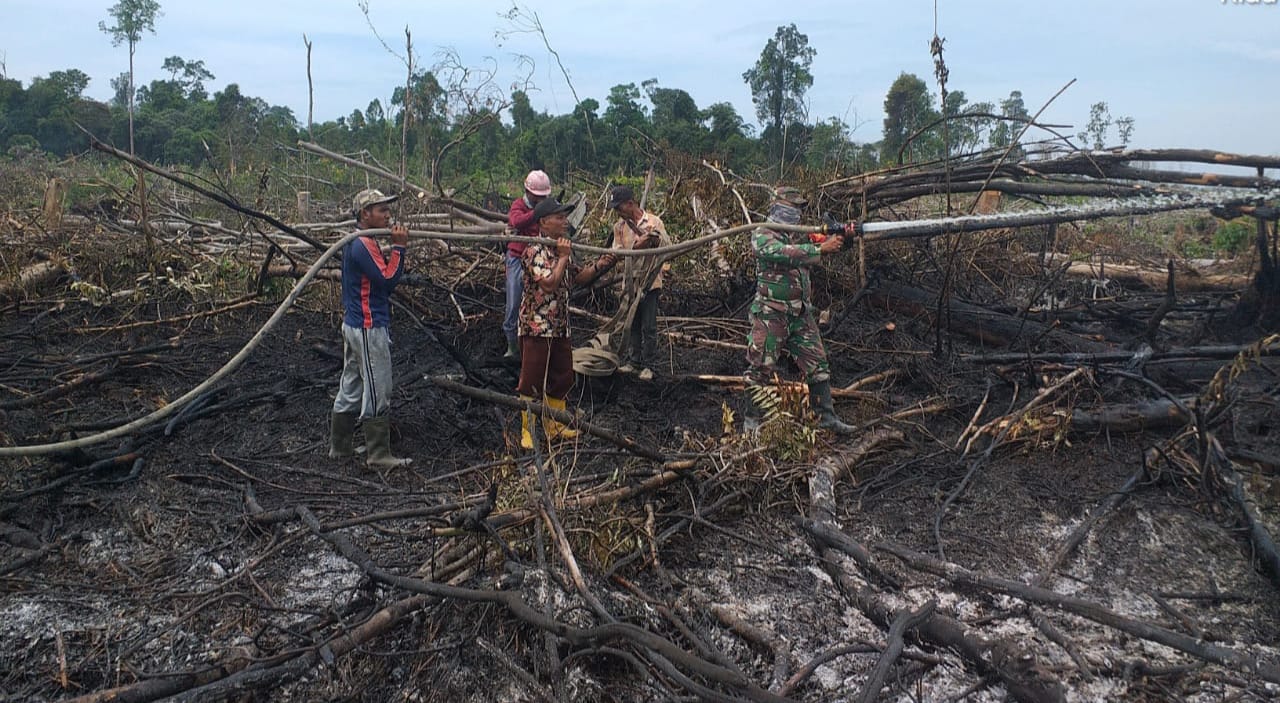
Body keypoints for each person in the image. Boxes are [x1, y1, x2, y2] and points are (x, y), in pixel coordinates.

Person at [743, 186, 855, 435]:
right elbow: (785, 254)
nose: (797, 214)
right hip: (771, 314)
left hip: (800, 314)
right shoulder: (762, 235)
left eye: (799, 209)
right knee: (761, 367)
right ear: (778, 207)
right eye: (793, 208)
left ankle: (825, 419)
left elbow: (825, 245)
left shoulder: (800, 235)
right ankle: (752, 423)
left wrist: (844, 237)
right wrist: (819, 249)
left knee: (818, 366)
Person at [516, 197, 617, 449]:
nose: (565, 222)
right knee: (532, 379)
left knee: (562, 375)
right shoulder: (534, 251)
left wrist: (602, 264)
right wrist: (562, 257)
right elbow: (549, 284)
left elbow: (578, 277)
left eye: (565, 217)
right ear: (543, 222)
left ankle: (555, 425)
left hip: (560, 325)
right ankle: (528, 431)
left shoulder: (560, 249)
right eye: (559, 218)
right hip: (537, 326)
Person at [329, 188, 414, 468]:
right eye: (382, 210)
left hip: (354, 324)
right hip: (368, 326)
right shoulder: (362, 244)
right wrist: (400, 248)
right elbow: (387, 281)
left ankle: (340, 447)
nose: (389, 215)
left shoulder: (361, 240)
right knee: (378, 386)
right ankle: (378, 454)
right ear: (365, 214)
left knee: (352, 383)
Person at [608, 186, 672, 381]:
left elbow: (668, 247)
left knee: (649, 326)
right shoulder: (619, 227)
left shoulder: (654, 222)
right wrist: (638, 245)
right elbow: (618, 253)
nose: (618, 212)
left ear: (630, 203)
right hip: (630, 282)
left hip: (651, 282)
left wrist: (653, 239)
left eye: (619, 208)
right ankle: (634, 361)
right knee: (632, 323)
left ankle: (649, 364)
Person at [504, 170, 552, 361]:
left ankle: (533, 345)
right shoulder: (519, 205)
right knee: (514, 301)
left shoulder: (547, 207)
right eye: (537, 196)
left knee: (540, 301)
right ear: (528, 191)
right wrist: (537, 213)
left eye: (544, 197)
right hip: (517, 258)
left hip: (540, 259)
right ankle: (512, 346)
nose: (541, 199)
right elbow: (516, 221)